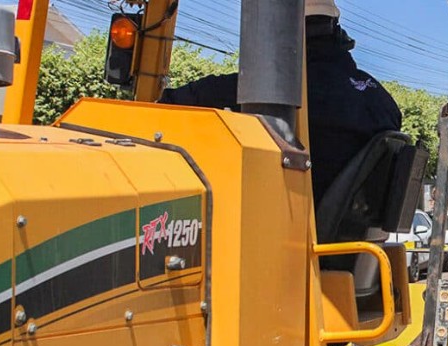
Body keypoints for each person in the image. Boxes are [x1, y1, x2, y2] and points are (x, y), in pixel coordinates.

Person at [158, 0, 402, 205]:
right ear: (337, 32)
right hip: (352, 250)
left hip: (282, 234)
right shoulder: (383, 102)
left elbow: (164, 107)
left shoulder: (268, 91)